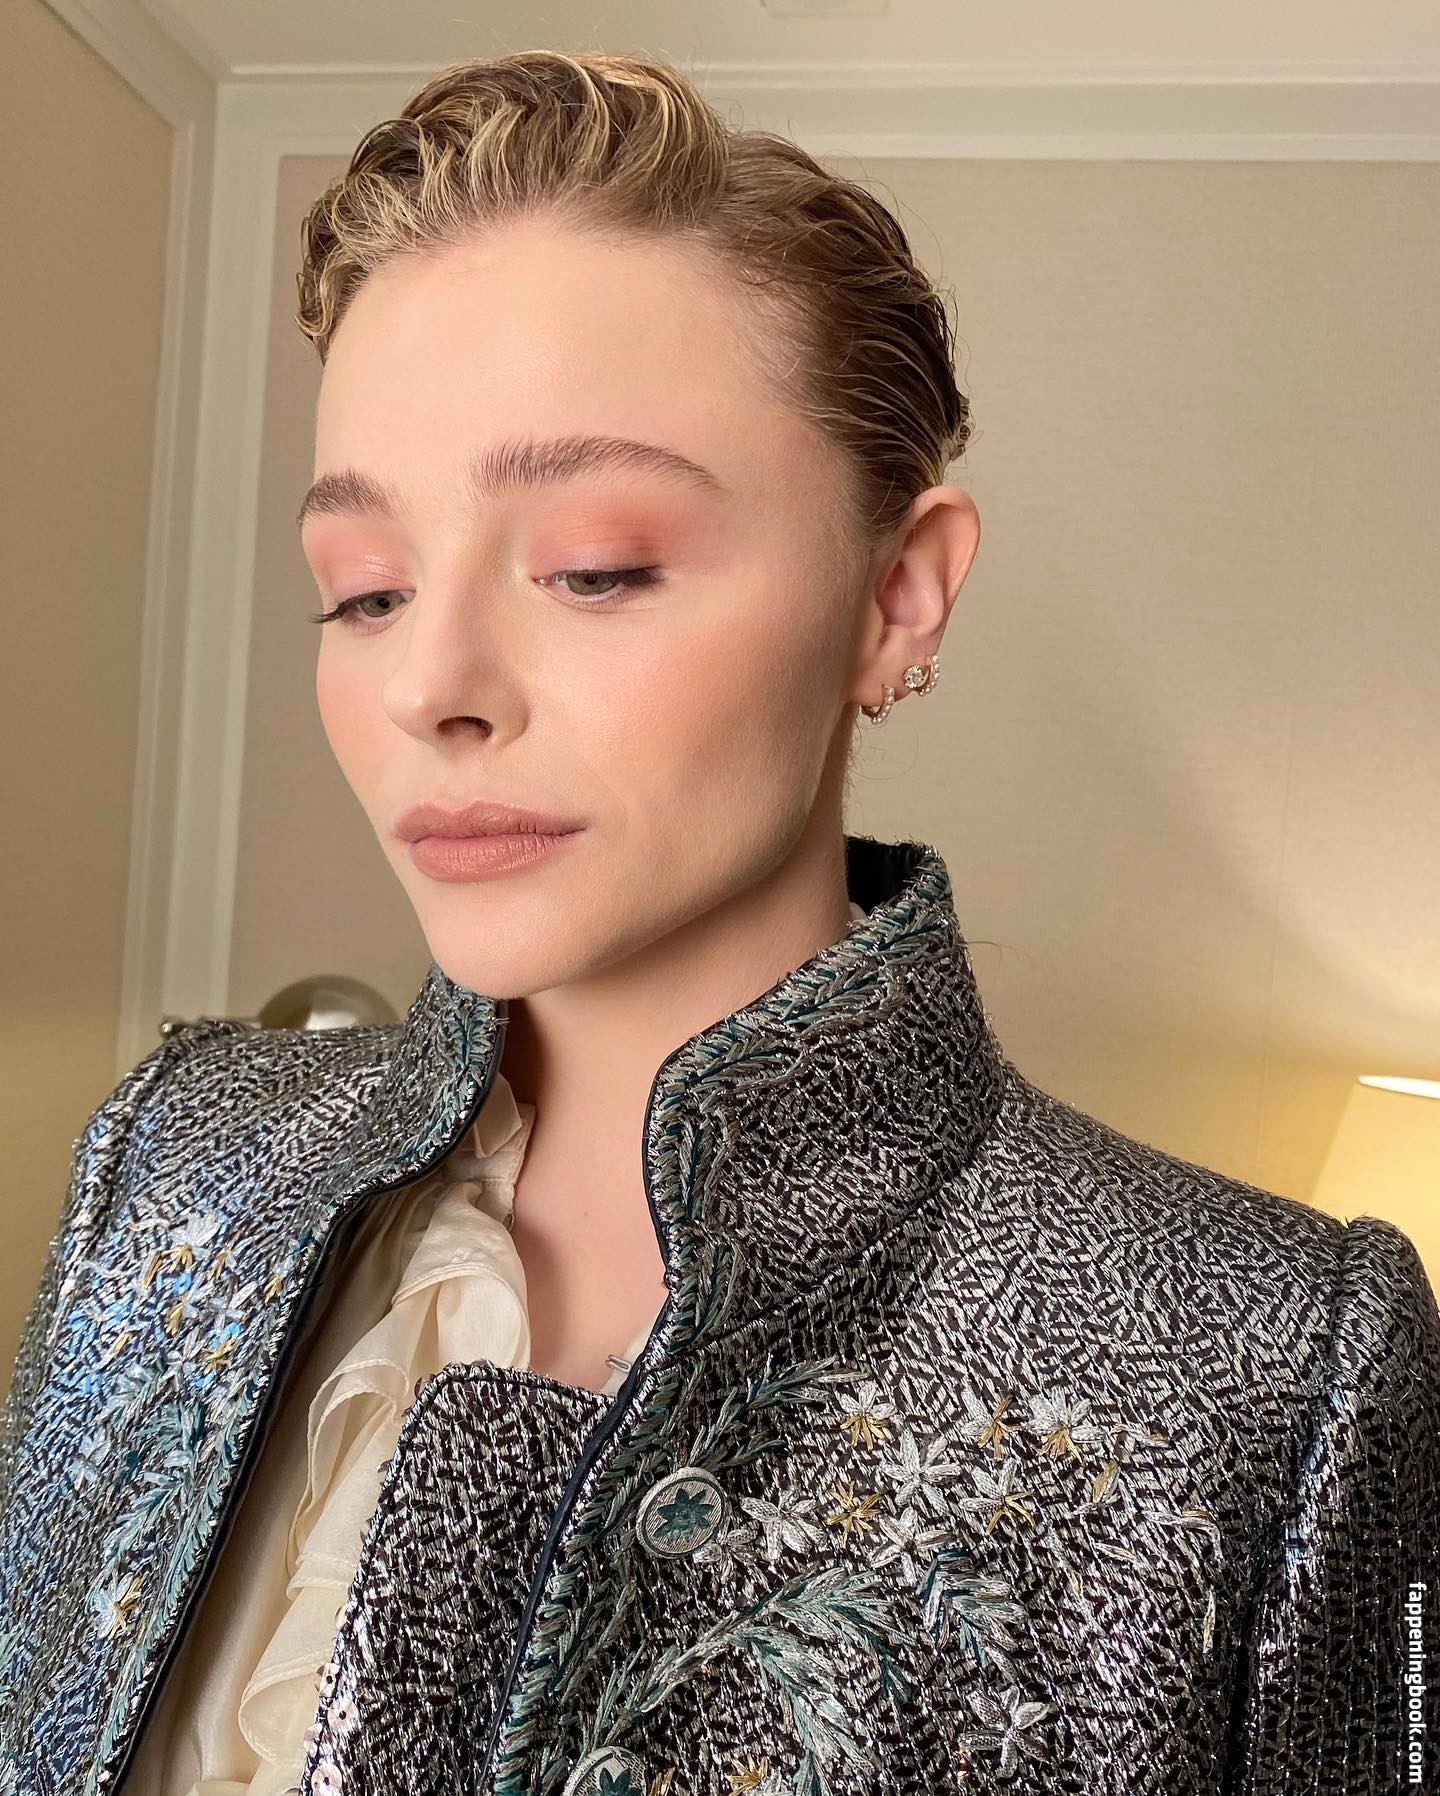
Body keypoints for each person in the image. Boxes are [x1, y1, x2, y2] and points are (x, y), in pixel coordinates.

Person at [1, 46, 1436, 1796]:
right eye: (362, 590)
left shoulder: (1268, 1367)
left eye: (596, 567)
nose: (430, 684)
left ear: (897, 597)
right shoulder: (181, 1159)